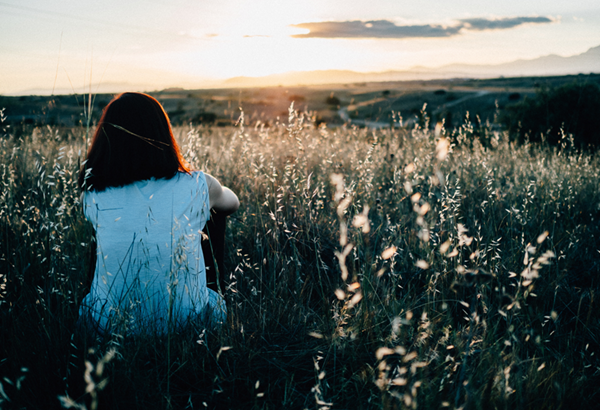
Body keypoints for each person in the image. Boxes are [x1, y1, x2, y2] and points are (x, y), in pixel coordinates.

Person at [77, 92, 239, 336]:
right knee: (211, 214)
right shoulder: (198, 184)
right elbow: (232, 204)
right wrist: (207, 192)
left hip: (109, 324)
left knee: (103, 228)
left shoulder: (93, 191)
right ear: (163, 133)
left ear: (106, 138)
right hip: (187, 322)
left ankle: (109, 297)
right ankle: (214, 294)